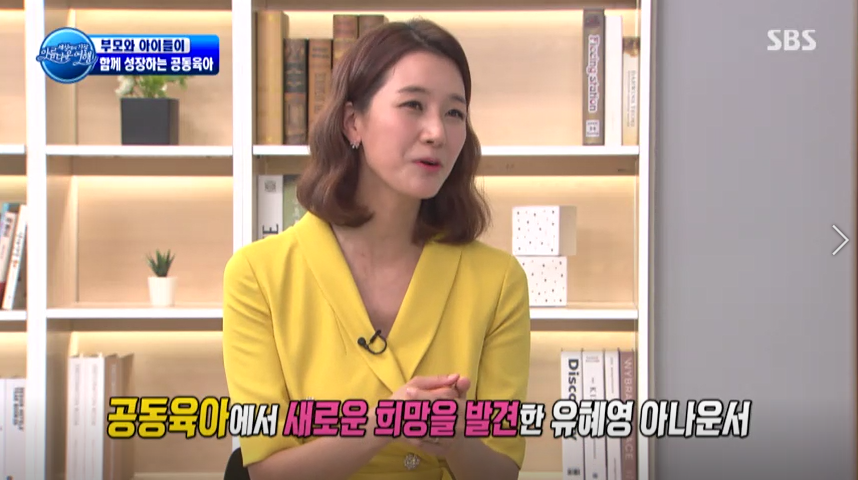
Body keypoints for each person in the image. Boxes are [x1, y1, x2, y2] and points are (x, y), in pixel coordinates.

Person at [222, 17, 531, 480]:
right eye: (413, 105)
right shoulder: (258, 274)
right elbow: (266, 471)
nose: (437, 132)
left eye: (455, 113)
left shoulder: (499, 280)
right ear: (353, 122)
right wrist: (386, 423)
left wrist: (455, 439)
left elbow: (501, 471)